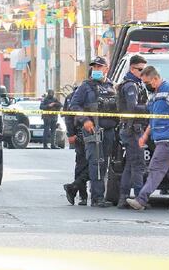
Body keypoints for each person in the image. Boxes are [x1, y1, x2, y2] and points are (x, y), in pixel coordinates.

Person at [126, 65, 169, 213]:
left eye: (148, 83)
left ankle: (141, 200)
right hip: (162, 138)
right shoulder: (154, 95)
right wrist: (145, 136)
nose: (146, 86)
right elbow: (154, 119)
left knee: (155, 169)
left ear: (156, 78)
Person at [69, 56, 118, 208]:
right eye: (94, 67)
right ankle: (97, 198)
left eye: (99, 67)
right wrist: (85, 120)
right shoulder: (86, 86)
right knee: (95, 163)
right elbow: (74, 105)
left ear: (106, 68)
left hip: (109, 130)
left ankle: (75, 187)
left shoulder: (112, 86)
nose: (96, 69)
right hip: (93, 130)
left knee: (104, 164)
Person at [115, 54, 149, 209]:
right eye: (140, 70)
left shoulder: (136, 83)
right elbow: (132, 108)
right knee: (138, 165)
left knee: (130, 165)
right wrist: (150, 108)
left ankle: (123, 198)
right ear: (131, 68)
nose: (143, 73)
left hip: (132, 128)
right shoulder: (130, 85)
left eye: (145, 70)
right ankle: (139, 199)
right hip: (132, 129)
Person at [62, 86, 89, 206]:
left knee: (92, 165)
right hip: (80, 134)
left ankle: (73, 188)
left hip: (94, 131)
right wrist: (71, 133)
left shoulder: (98, 89)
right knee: (82, 165)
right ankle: (82, 196)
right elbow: (68, 116)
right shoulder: (73, 96)